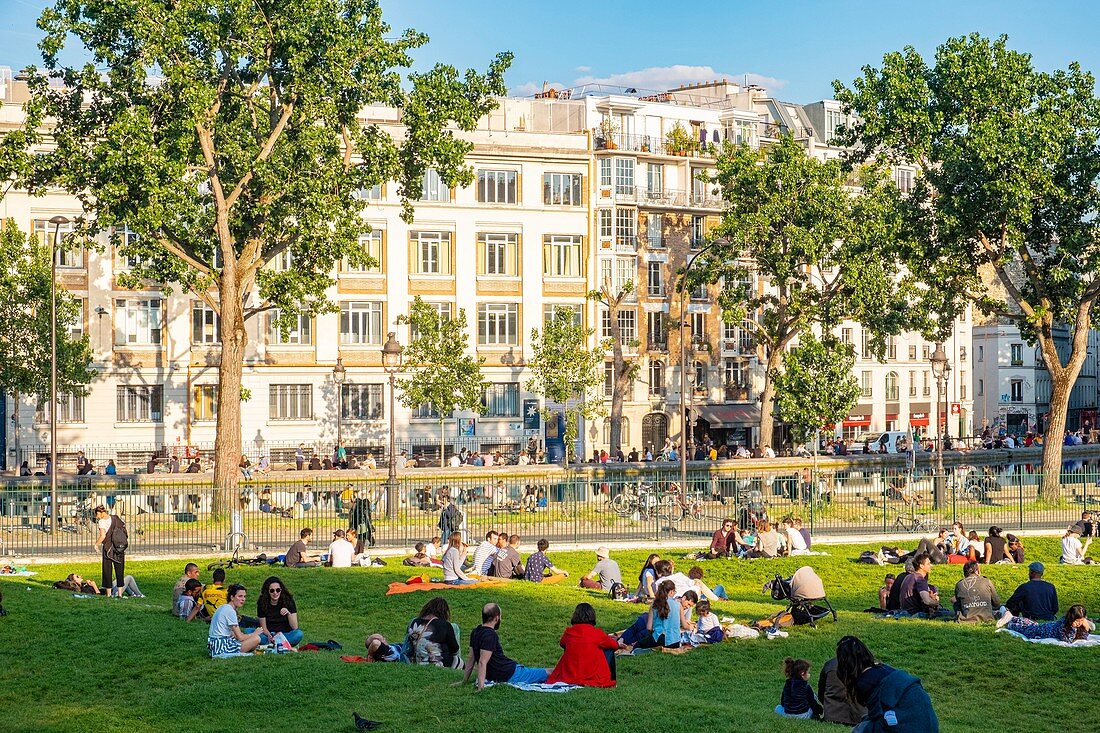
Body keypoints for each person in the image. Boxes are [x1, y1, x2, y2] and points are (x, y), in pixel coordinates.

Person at [836, 636, 939, 732]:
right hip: (930, 722)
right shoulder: (884, 668)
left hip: (908, 723)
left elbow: (877, 716)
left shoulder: (863, 682)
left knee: (861, 729)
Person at [455, 603, 550, 690]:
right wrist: (481, 688)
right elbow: (482, 662)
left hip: (505, 670)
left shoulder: (475, 632)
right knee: (548, 672)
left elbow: (471, 658)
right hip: (510, 673)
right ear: (496, 618)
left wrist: (464, 681)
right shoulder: (490, 635)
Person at [546, 603, 619, 687]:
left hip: (570, 673)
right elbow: (614, 645)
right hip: (592, 674)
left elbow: (562, 644)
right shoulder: (597, 633)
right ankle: (611, 678)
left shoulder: (569, 632)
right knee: (608, 649)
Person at [208, 584, 264, 657]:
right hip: (221, 646)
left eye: (244, 596)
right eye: (240, 596)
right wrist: (254, 633)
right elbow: (240, 637)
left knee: (249, 639)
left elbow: (233, 634)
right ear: (232, 597)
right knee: (256, 639)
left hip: (214, 645)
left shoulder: (223, 607)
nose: (243, 599)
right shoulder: (230, 611)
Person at [245, 576, 303, 647]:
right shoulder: (262, 603)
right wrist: (269, 635)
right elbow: (263, 627)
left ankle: (275, 643)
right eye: (272, 591)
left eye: (278, 590)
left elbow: (295, 627)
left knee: (298, 634)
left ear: (281, 590)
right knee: (248, 631)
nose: (275, 593)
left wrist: (288, 613)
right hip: (268, 634)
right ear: (267, 591)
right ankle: (280, 644)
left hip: (285, 634)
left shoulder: (288, 600)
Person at [405, 597, 462, 668]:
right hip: (439, 662)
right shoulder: (445, 625)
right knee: (458, 661)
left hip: (416, 661)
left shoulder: (414, 621)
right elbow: (454, 649)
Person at [998, 604, 1093, 642]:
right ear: (1071, 618)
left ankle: (1008, 615)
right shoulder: (1064, 624)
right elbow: (1068, 640)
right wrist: (1075, 628)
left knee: (1029, 623)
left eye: (1081, 621)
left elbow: (1082, 638)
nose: (1078, 624)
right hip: (1040, 631)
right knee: (1023, 627)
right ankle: (1008, 617)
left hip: (1041, 627)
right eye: (1077, 621)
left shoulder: (1079, 625)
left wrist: (1086, 628)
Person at [633, 580, 683, 650]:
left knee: (638, 645)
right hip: (675, 641)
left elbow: (649, 627)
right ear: (671, 591)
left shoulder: (655, 604)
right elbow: (684, 625)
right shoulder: (678, 605)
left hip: (659, 638)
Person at [818, 656, 866, 726]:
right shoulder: (866, 665)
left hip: (832, 716)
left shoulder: (830, 664)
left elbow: (821, 691)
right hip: (860, 717)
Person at [898, 552, 949, 618]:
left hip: (905, 610)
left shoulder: (908, 577)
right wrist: (936, 601)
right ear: (921, 566)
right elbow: (927, 601)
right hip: (915, 612)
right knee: (952, 614)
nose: (931, 565)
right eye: (928, 564)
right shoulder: (920, 579)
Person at [93, 505, 127, 598]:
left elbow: (103, 536)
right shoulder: (115, 518)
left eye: (97, 514)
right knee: (120, 570)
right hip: (119, 547)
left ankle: (109, 594)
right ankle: (120, 594)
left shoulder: (101, 522)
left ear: (100, 513)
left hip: (108, 548)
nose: (97, 517)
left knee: (107, 570)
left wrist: (96, 544)